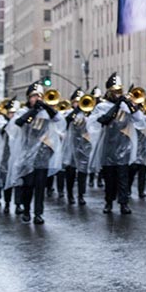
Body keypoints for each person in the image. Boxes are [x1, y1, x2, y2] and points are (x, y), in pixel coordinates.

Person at [6, 83, 64, 225]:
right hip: (27, 154)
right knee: (28, 185)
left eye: (39, 96)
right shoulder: (23, 111)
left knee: (40, 185)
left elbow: (59, 120)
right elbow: (17, 124)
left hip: (42, 154)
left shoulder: (46, 112)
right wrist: (33, 111)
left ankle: (38, 213)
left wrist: (45, 106)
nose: (36, 98)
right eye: (33, 96)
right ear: (28, 98)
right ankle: (26, 210)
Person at [90, 73, 141, 214]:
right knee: (110, 178)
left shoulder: (126, 106)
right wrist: (118, 104)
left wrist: (131, 105)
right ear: (108, 92)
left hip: (124, 146)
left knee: (123, 177)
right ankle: (108, 202)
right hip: (108, 147)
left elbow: (139, 120)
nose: (118, 94)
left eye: (119, 91)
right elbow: (103, 120)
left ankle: (123, 203)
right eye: (115, 92)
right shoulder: (102, 106)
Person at [60, 89, 92, 205]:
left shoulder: (88, 114)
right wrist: (77, 110)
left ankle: (81, 195)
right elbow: (66, 121)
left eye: (80, 101)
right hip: (70, 146)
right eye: (76, 102)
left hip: (83, 146)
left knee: (83, 171)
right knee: (70, 172)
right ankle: (70, 194)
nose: (78, 104)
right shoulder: (68, 113)